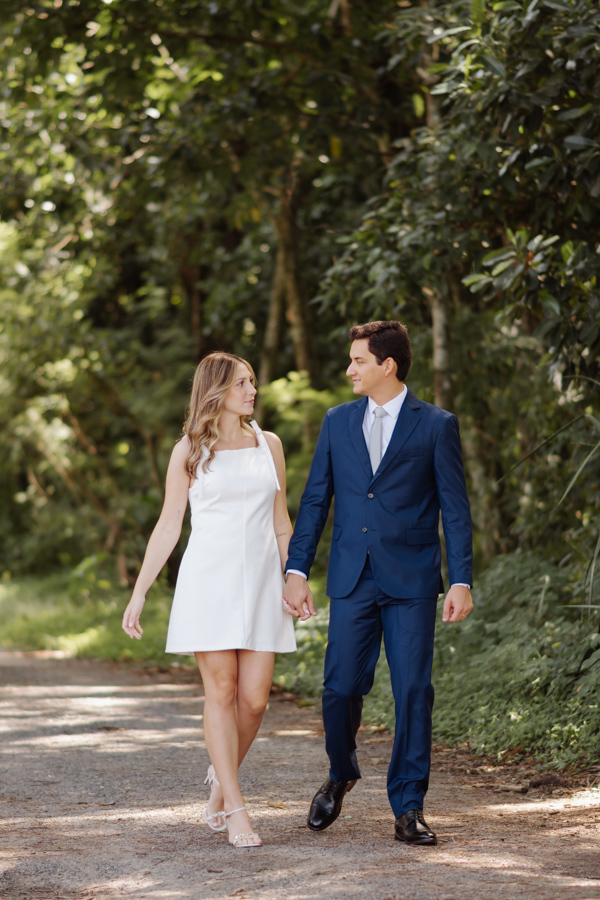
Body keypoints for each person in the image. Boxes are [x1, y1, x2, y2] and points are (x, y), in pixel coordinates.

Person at [282, 320, 473, 846]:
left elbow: (455, 510)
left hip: (412, 579)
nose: (349, 369)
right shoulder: (337, 421)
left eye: (358, 360)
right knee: (340, 687)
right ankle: (341, 772)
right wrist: (296, 570)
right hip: (351, 576)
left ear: (387, 365)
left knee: (414, 690)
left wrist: (462, 580)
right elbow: (316, 501)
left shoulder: (436, 424)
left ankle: (408, 806)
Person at [122, 351, 297, 849]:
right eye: (243, 383)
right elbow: (169, 524)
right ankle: (236, 807)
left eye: (252, 382)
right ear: (218, 390)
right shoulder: (190, 449)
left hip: (263, 581)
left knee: (256, 699)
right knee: (220, 692)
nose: (252, 390)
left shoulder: (270, 444)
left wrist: (294, 577)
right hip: (209, 581)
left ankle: (221, 776)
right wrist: (140, 591)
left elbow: (282, 521)